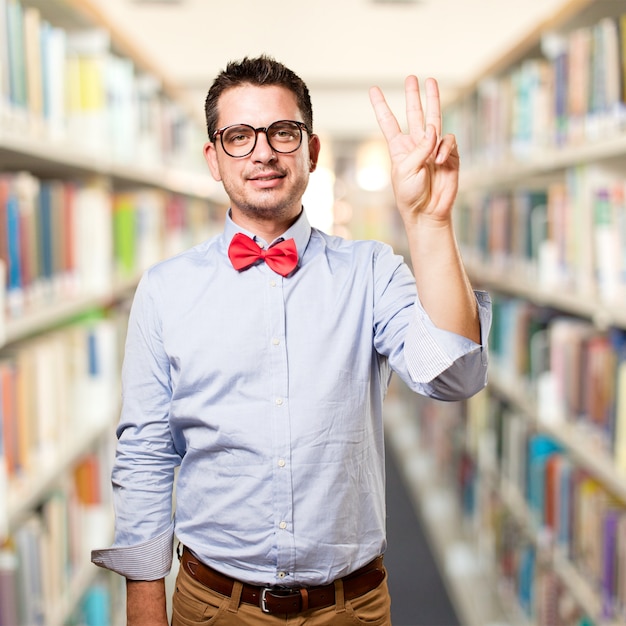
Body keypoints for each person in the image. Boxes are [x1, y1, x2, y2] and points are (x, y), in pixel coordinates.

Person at [91, 55, 491, 626]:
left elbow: (456, 378)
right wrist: (145, 610)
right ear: (212, 157)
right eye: (238, 136)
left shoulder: (371, 271)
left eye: (283, 132)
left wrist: (429, 223)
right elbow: (147, 455)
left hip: (351, 608)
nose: (263, 152)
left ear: (313, 150)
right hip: (212, 607)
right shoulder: (164, 291)